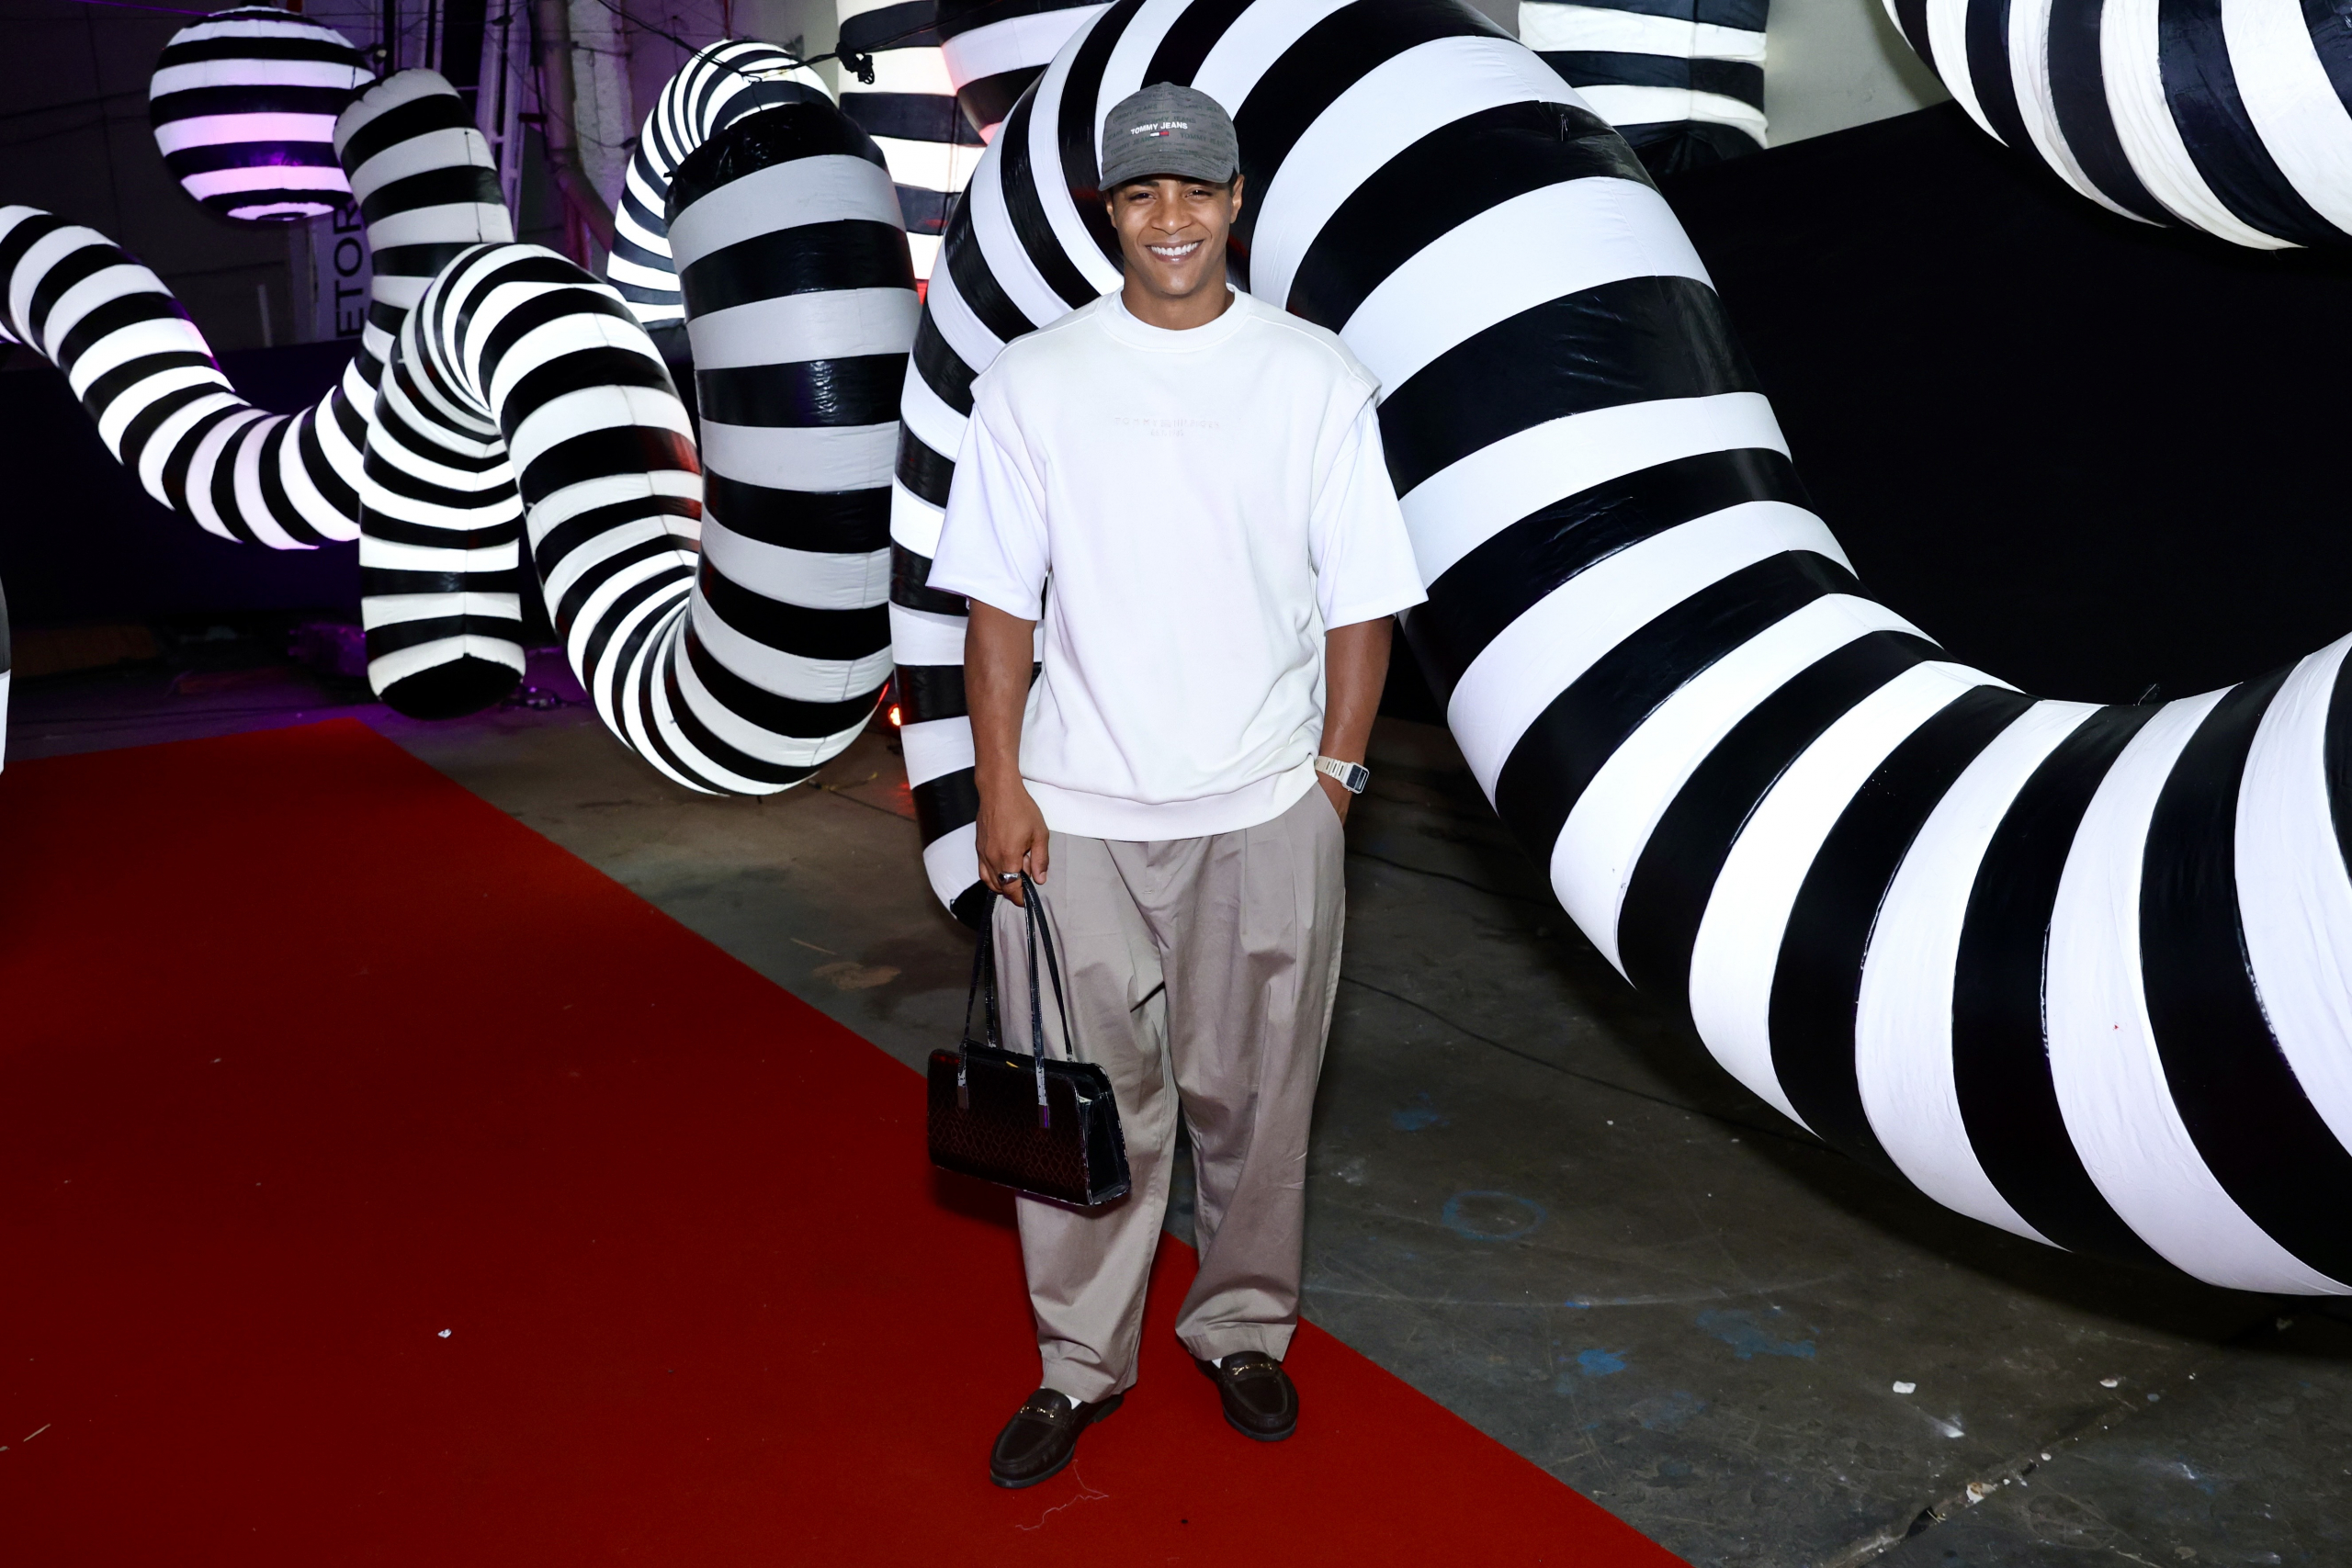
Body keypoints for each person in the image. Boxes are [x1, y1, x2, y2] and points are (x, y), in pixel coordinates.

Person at [925, 81, 1427, 1490]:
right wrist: (998, 789)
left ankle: (1244, 1328)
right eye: (1142, 193)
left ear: (1234, 201)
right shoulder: (1033, 382)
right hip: (1074, 812)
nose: (1170, 219)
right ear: (1109, 211)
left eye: (1196, 190)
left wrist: (1332, 783)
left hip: (1267, 804)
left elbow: (1364, 601)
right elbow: (998, 612)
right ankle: (1077, 1361)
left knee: (1259, 1102)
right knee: (1085, 1103)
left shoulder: (1316, 377)